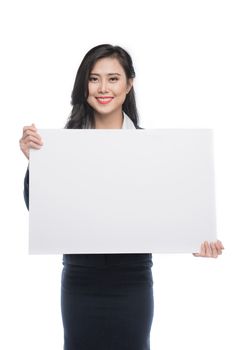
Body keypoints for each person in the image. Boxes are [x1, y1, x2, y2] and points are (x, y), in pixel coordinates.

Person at [19, 44, 224, 350]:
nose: (103, 88)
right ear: (83, 85)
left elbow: (170, 211)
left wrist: (195, 240)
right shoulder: (62, 146)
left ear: (129, 84)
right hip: (79, 281)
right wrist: (36, 163)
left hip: (132, 282)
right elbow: (39, 210)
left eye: (113, 79)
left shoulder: (151, 148)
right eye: (94, 79)